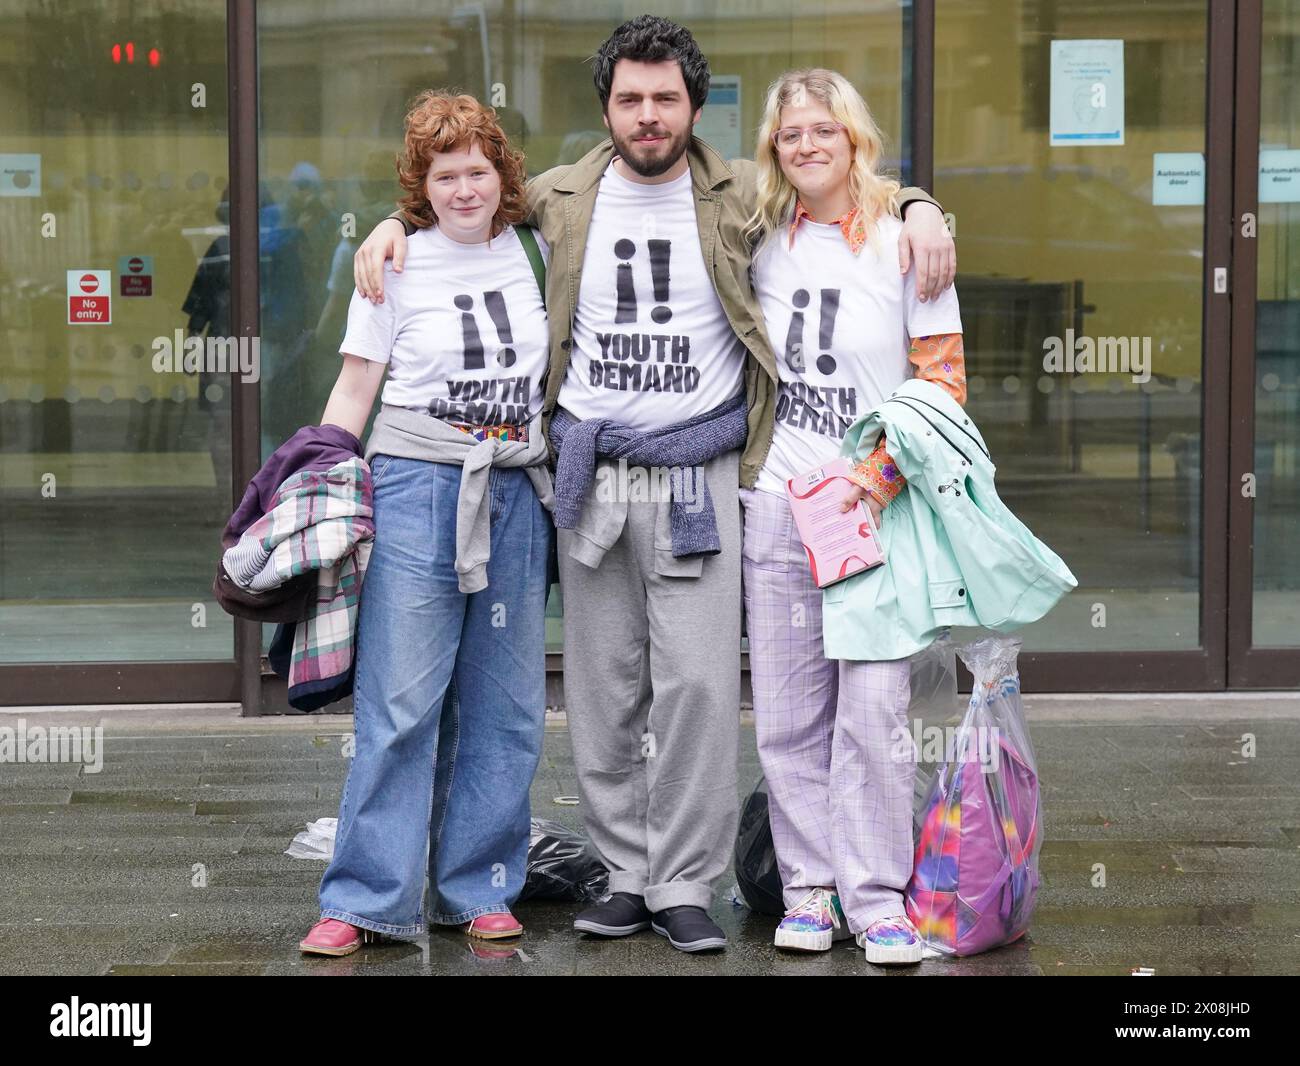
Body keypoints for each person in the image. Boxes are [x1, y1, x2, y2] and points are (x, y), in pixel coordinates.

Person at [352, 16, 955, 954]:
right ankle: (623, 874)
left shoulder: (744, 198)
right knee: (602, 691)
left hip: (701, 472)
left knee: (701, 693)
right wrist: (392, 224)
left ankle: (683, 882)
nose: (647, 115)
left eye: (664, 98)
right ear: (607, 107)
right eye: (629, 99)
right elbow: (459, 197)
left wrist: (918, 202)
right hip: (594, 475)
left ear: (694, 105)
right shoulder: (558, 196)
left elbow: (836, 182)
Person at [299, 91, 555, 957]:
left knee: (507, 703)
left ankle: (478, 887)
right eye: (446, 175)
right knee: (400, 701)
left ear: (502, 174)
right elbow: (356, 389)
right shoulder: (394, 264)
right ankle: (364, 895)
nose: (465, 189)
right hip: (415, 483)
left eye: (479, 170)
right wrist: (322, 476)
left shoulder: (539, 251)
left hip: (515, 488)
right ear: (422, 185)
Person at [740, 68, 966, 964]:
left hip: (877, 509)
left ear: (854, 138)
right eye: (790, 134)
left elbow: (943, 382)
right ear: (773, 148)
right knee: (788, 716)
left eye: (822, 131)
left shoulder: (906, 243)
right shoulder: (759, 238)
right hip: (779, 506)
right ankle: (807, 891)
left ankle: (877, 900)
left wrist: (872, 480)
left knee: (873, 712)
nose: (805, 146)